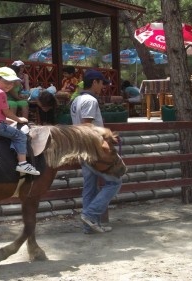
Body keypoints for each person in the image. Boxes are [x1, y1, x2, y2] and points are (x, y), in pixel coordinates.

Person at [70, 69, 122, 234]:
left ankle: (89, 225)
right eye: (101, 83)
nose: (102, 87)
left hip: (82, 147)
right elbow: (87, 126)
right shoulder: (90, 100)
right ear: (94, 82)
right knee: (115, 181)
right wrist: (106, 136)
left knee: (90, 186)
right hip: (93, 148)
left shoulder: (76, 100)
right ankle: (90, 214)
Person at [0, 66, 40, 176]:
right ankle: (23, 163)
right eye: (6, 82)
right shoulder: (0, 93)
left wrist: (12, 120)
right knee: (20, 136)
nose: (9, 85)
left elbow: (0, 114)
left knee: (14, 125)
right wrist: (18, 119)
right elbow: (7, 112)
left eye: (12, 83)